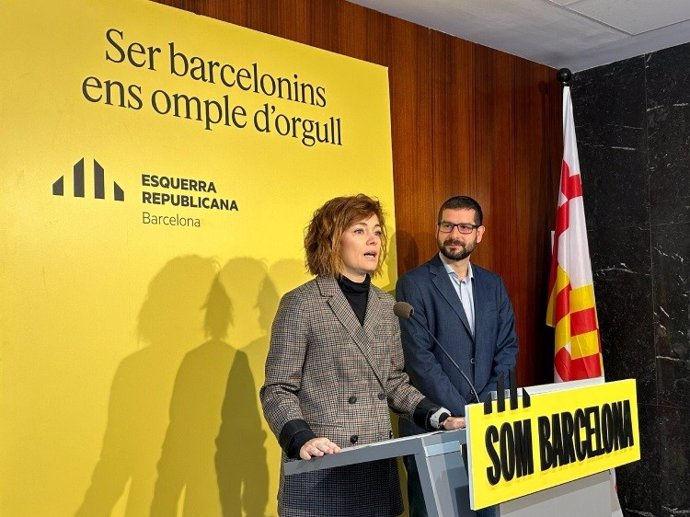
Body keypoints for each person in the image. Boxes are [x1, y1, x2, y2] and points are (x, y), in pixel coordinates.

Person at [260, 194, 464, 517]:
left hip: (374, 475)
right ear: (331, 240)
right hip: (322, 472)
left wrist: (439, 417)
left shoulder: (388, 307)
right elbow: (278, 389)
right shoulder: (301, 303)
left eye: (377, 231)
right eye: (359, 231)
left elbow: (395, 383)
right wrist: (301, 439)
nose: (373, 240)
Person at [396, 195, 518, 517]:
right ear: (437, 229)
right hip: (435, 427)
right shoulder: (414, 284)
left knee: (487, 513)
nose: (455, 234)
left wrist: (487, 408)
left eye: (465, 227)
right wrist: (466, 414)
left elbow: (507, 350)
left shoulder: (493, 284)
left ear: (479, 233)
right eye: (448, 225)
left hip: (486, 431)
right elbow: (419, 360)